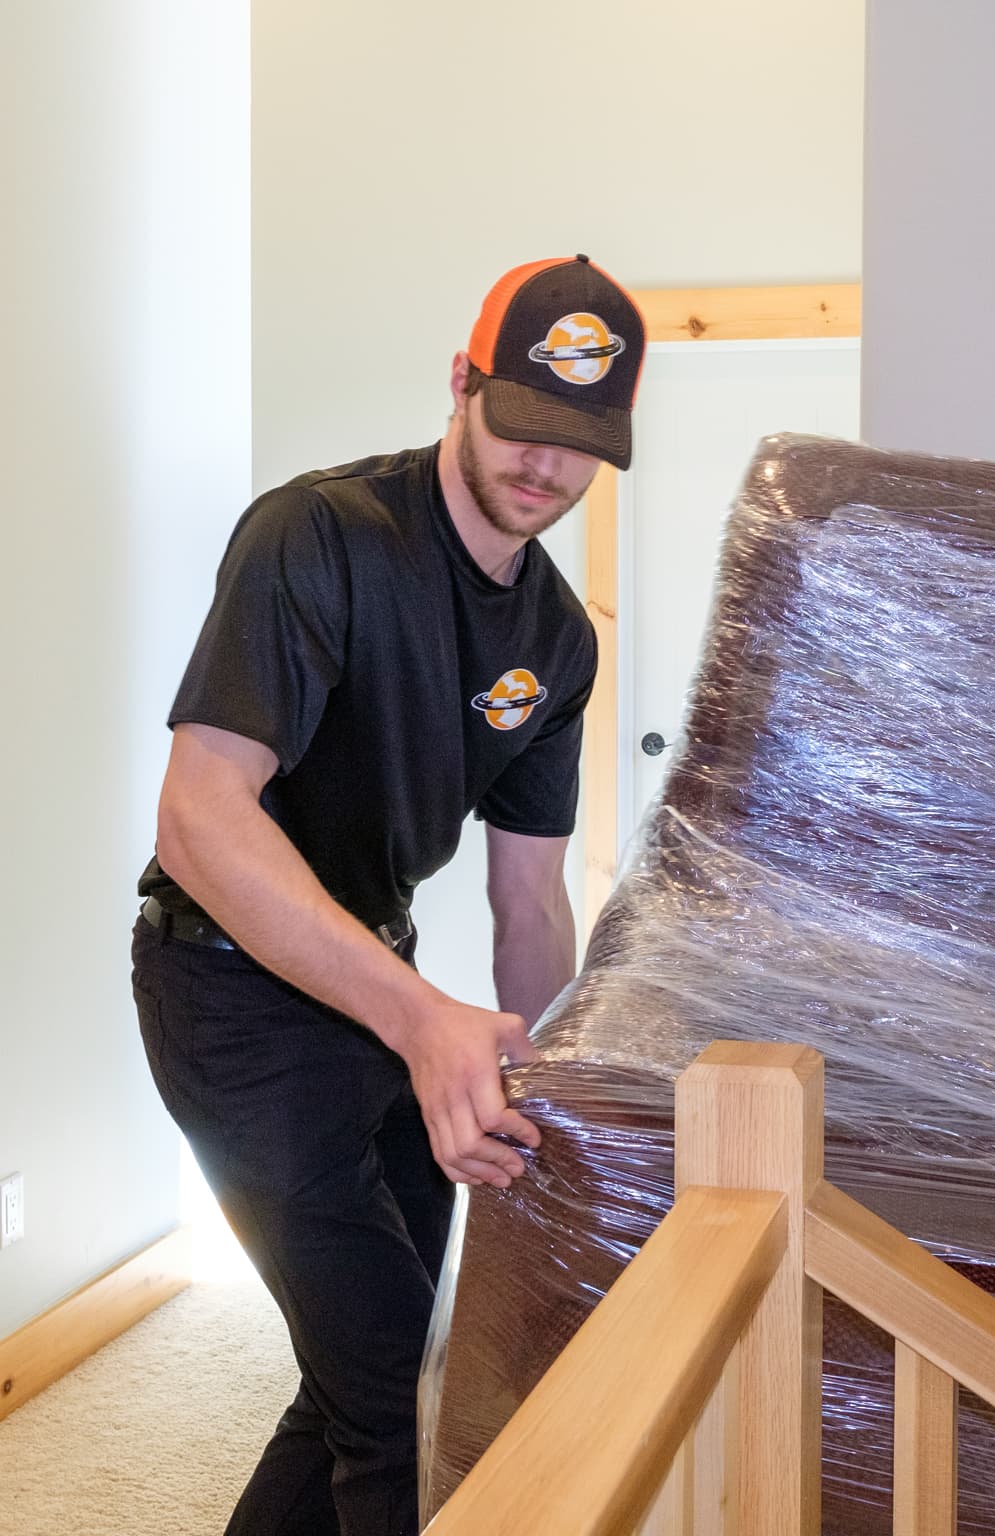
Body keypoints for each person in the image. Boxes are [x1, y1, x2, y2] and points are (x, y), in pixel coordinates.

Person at [131, 255, 644, 1536]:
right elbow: (199, 818)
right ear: (463, 385)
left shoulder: (559, 643)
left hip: (379, 987)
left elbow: (529, 908)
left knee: (391, 1361)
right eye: (523, 423)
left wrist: (562, 1097)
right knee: (393, 1410)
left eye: (579, 445)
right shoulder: (320, 536)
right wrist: (421, 1021)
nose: (545, 468)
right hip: (230, 989)